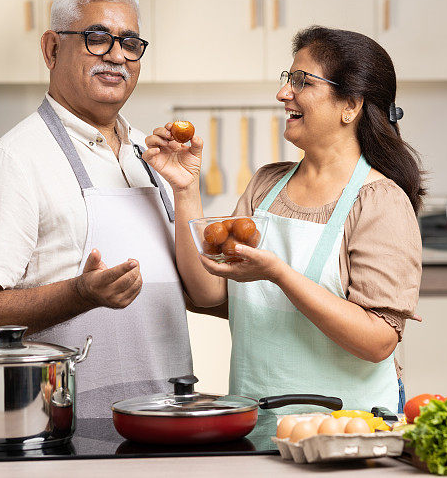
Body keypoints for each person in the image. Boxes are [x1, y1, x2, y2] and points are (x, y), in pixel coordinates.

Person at [144, 26, 424, 413]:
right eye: (288, 78)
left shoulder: (380, 201)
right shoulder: (266, 185)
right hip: (258, 422)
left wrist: (279, 273)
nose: (283, 93)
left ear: (351, 105)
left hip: (345, 432)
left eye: (302, 81)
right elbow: (208, 291)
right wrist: (185, 188)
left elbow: (378, 341)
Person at [0, 0, 192, 417]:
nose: (117, 55)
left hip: (164, 418)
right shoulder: (16, 160)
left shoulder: (150, 155)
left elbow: (178, 288)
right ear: (51, 49)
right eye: (97, 39)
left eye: (131, 43)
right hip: (65, 424)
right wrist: (80, 292)